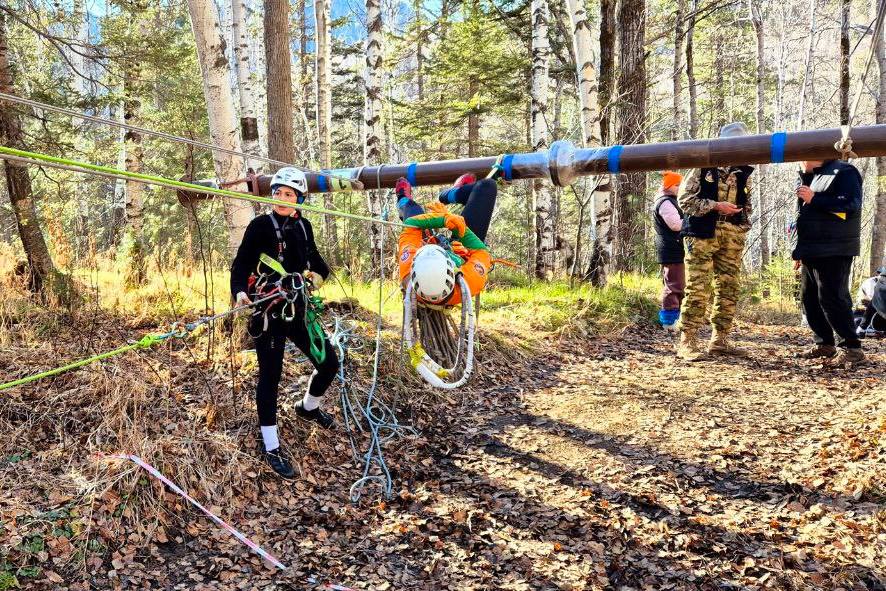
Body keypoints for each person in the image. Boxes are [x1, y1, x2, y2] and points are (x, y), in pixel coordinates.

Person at [230, 167, 340, 479]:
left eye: (288, 194)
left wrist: (315, 276)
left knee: (329, 362)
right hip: (269, 314)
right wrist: (240, 292)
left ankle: (308, 407)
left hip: (299, 311)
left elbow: (318, 263)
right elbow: (241, 264)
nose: (281, 198)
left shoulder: (304, 227)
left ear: (299, 199)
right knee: (270, 376)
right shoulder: (260, 226)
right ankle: (271, 444)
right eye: (277, 192)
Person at [675, 122, 754, 360]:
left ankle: (720, 340)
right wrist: (715, 206)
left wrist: (741, 226)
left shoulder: (744, 172)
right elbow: (685, 200)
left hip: (731, 235)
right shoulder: (702, 167)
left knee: (728, 288)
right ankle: (687, 340)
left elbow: (747, 206)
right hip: (701, 233)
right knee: (698, 287)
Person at [791, 159, 865, 365]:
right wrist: (799, 251)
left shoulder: (845, 171)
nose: (799, 160)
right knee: (809, 299)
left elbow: (850, 204)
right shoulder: (813, 176)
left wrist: (815, 198)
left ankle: (851, 347)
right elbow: (805, 217)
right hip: (812, 249)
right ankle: (824, 343)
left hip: (835, 248)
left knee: (832, 298)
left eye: (803, 155)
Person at [396, 173, 497, 305]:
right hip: (462, 253)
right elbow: (481, 251)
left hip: (426, 242)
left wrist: (442, 219)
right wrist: (458, 227)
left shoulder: (407, 268)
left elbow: (411, 224)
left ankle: (402, 198)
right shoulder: (470, 281)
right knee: (487, 186)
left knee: (411, 207)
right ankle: (452, 194)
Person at [652, 171, 685, 331]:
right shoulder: (665, 202)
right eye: (677, 185)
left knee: (676, 283)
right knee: (673, 285)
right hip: (670, 247)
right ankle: (669, 322)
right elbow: (675, 224)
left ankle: (674, 319)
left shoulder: (669, 200)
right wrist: (693, 222)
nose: (679, 188)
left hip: (672, 247)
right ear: (668, 185)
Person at [855, 268, 886, 338]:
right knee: (857, 321)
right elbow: (874, 299)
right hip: (862, 311)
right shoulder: (871, 282)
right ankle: (862, 330)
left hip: (875, 312)